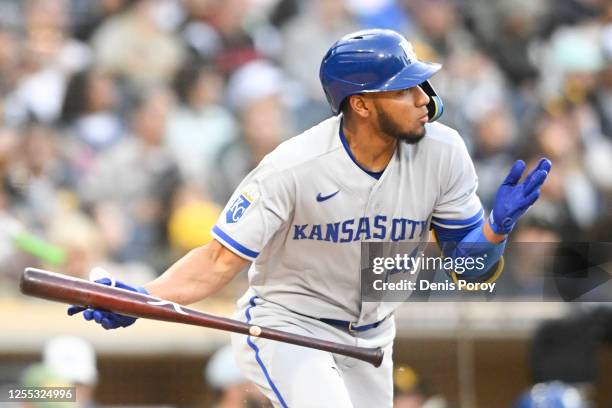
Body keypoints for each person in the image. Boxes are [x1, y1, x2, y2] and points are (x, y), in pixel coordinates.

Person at [68, 29, 551, 407]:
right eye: (404, 89)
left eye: (421, 84)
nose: (424, 97)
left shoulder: (444, 151)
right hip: (290, 327)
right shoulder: (292, 165)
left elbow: (472, 271)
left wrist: (495, 229)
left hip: (373, 335)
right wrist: (144, 298)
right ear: (361, 104)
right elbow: (217, 262)